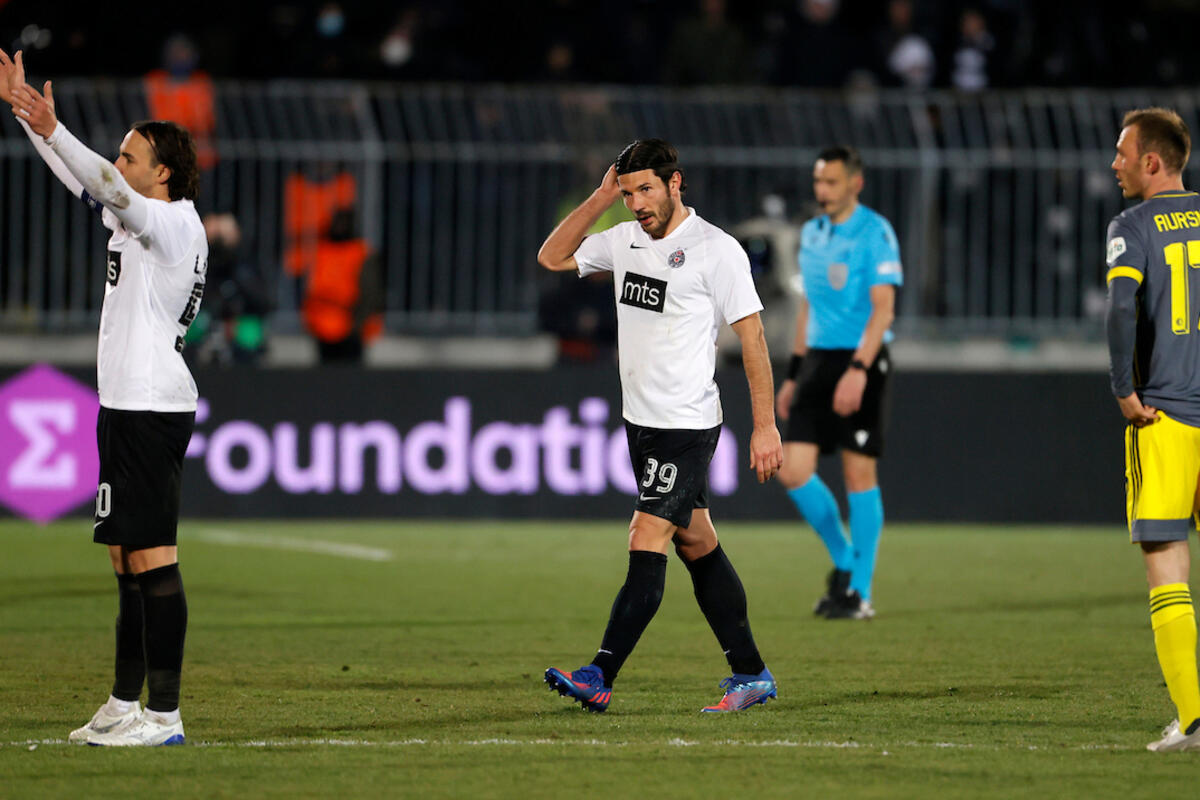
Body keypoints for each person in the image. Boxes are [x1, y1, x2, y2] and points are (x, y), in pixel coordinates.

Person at [536, 139, 784, 713]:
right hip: (640, 423)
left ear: (675, 183)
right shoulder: (623, 238)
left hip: (685, 425)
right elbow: (552, 257)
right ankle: (751, 673)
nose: (637, 204)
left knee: (646, 535)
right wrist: (601, 198)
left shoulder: (716, 250)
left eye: (645, 189)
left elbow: (752, 339)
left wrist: (765, 426)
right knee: (697, 542)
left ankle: (599, 674)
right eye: (628, 193)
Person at [1, 49, 205, 746]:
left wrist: (55, 129)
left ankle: (165, 717)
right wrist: (31, 119)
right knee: (124, 557)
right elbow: (86, 180)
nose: (118, 164)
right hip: (126, 404)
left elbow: (105, 184)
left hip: (150, 405)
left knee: (153, 557)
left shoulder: (172, 223)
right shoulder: (138, 220)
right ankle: (123, 703)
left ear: (163, 172)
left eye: (130, 155)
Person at [1105, 106, 1200, 752]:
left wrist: (1123, 389)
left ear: (1152, 161)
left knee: (1166, 565)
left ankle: (1193, 718)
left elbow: (1120, 308)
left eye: (1122, 153)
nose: (1114, 164)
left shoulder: (1133, 225)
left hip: (1164, 414)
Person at [774, 146, 902, 621]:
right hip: (818, 360)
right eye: (818, 182)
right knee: (792, 470)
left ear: (855, 184)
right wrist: (794, 375)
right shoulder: (812, 233)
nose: (822, 191)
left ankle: (858, 593)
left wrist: (859, 370)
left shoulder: (875, 232)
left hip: (861, 358)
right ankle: (846, 560)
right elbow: (807, 308)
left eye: (831, 182)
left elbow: (883, 311)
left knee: (857, 474)